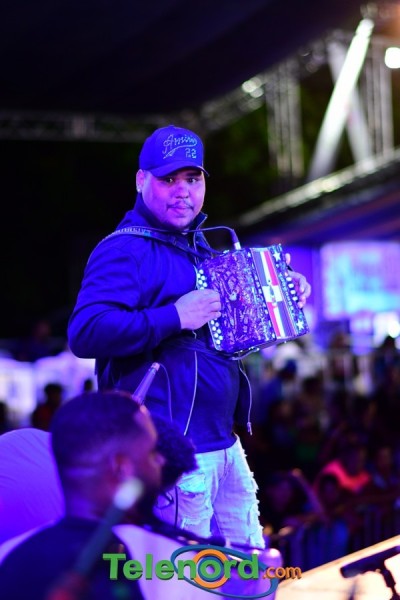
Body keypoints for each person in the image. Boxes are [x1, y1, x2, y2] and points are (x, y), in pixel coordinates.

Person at [67, 124, 311, 548]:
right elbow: (85, 332)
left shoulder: (200, 247)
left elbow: (228, 336)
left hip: (225, 443)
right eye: (168, 179)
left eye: (193, 179)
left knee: (250, 571)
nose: (183, 191)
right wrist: (174, 316)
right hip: (170, 453)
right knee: (182, 579)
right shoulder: (123, 249)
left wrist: (284, 296)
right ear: (141, 181)